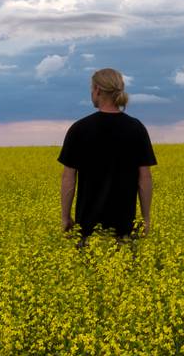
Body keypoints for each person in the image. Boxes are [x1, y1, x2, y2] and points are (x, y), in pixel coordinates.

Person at [58, 68, 156, 248]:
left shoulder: (79, 129)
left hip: (87, 231)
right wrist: (146, 218)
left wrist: (65, 217)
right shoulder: (136, 129)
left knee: (86, 276)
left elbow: (68, 178)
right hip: (124, 230)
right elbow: (145, 178)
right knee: (126, 275)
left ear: (97, 90)